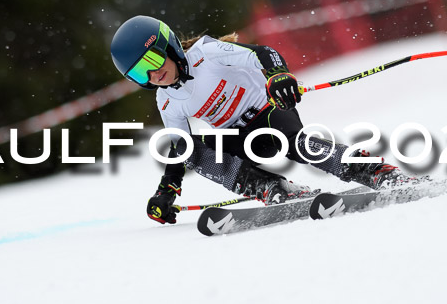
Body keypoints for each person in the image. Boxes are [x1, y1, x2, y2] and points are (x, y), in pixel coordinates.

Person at [110, 15, 409, 224]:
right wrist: (167, 190)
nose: (153, 74)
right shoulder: (166, 100)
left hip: (270, 114)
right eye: (140, 73)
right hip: (242, 141)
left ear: (168, 46)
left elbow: (263, 53)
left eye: (153, 60)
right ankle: (270, 188)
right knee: (192, 150)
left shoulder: (206, 53)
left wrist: (277, 75)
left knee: (297, 145)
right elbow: (179, 148)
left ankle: (373, 171)